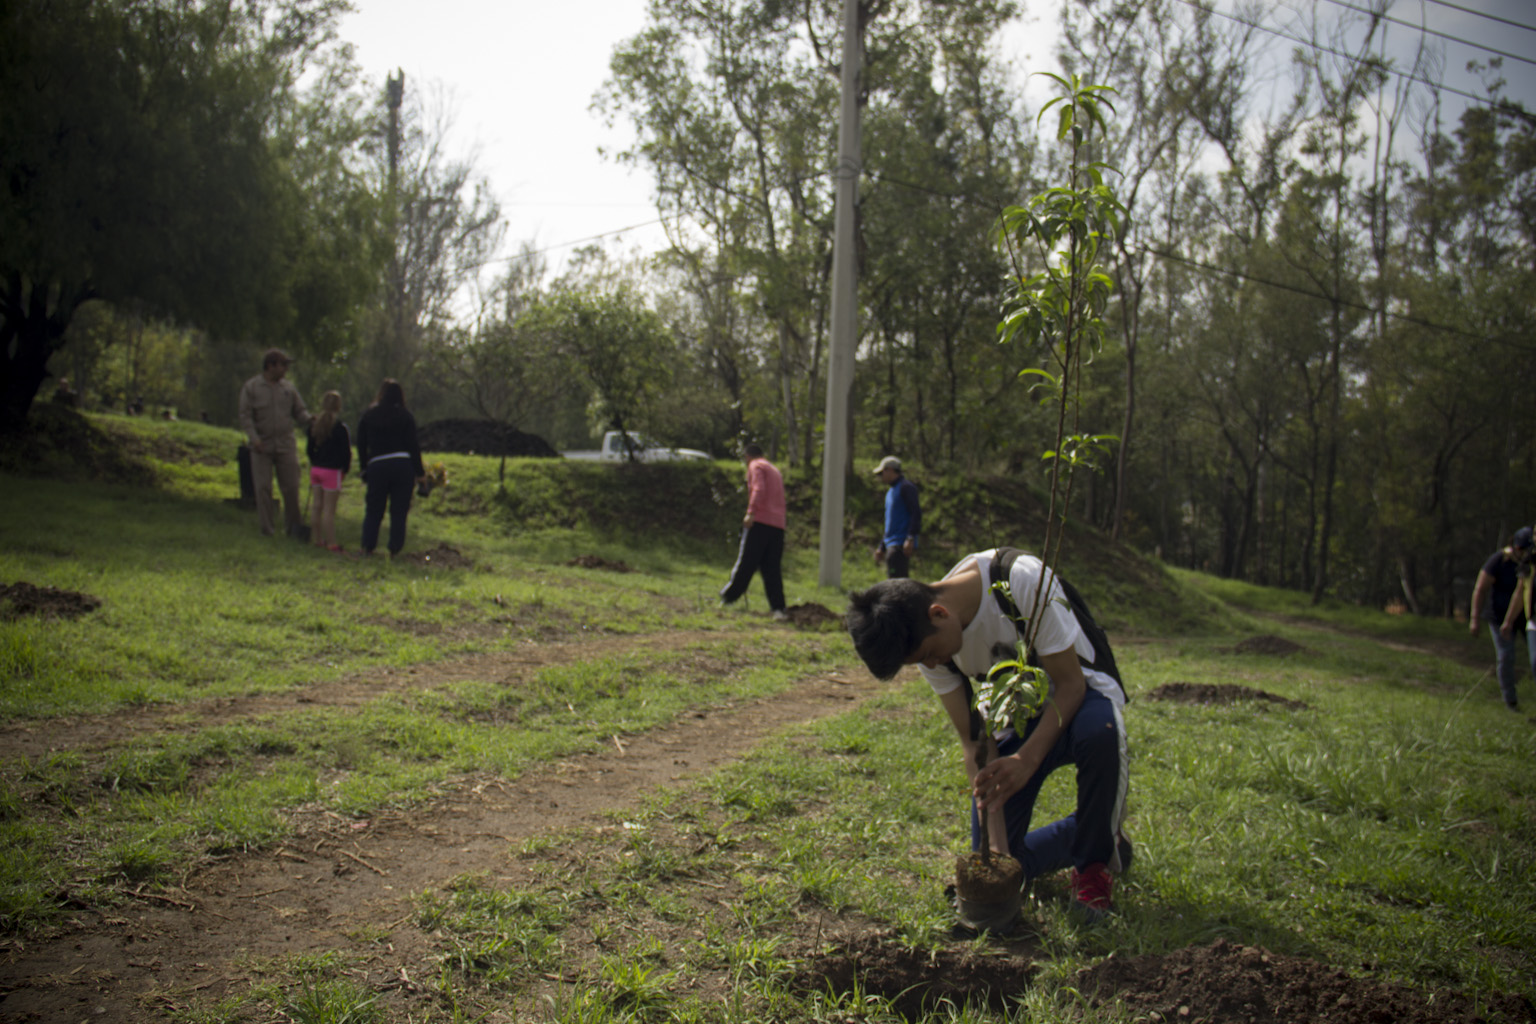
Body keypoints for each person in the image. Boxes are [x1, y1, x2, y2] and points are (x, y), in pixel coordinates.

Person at [845, 547, 1129, 921]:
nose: (932, 665)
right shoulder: (926, 638)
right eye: (922, 662)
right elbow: (974, 739)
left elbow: (1071, 685)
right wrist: (998, 851)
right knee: (1005, 864)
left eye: (930, 655)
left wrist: (1026, 761)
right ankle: (1109, 841)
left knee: (1100, 735)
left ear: (939, 613)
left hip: (1082, 696)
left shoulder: (1021, 582)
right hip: (1019, 714)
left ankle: (1093, 870)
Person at [237, 348, 312, 538]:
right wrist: (254, 439)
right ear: (271, 366)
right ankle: (267, 529)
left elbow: (300, 412)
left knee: (292, 486)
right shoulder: (252, 387)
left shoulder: (288, 388)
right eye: (283, 365)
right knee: (263, 488)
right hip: (262, 446)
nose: (286, 369)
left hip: (286, 444)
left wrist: (312, 419)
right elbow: (245, 417)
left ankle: (293, 529)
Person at [356, 378, 425, 557]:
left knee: (374, 508)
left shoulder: (369, 416)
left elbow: (361, 444)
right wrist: (420, 472)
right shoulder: (405, 416)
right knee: (399, 510)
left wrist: (364, 467)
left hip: (378, 464)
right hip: (402, 464)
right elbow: (413, 445)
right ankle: (394, 548)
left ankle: (368, 546)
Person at [719, 443, 788, 621]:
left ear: (747, 456)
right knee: (771, 568)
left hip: (761, 521)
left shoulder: (755, 466)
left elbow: (758, 489)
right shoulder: (774, 470)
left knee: (747, 561)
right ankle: (778, 608)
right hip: (778, 525)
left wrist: (751, 512)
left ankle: (728, 597)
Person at [1475, 526, 1535, 709]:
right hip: (1500, 616)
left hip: (1525, 617)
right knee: (1507, 656)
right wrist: (1474, 618)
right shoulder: (1499, 561)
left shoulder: (1529, 563)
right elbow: (1480, 589)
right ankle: (1510, 700)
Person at [305, 390, 352, 553]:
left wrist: (315, 461)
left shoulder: (314, 426)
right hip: (332, 471)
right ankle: (332, 542)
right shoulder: (340, 427)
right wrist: (345, 468)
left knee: (316, 506)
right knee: (329, 510)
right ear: (338, 407)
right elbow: (346, 452)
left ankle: (316, 538)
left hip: (316, 469)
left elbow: (309, 449)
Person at [871, 455, 921, 578]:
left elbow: (916, 512)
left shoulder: (906, 488)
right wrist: (881, 547)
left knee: (897, 582)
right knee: (893, 580)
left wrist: (910, 538)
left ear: (890, 470)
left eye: (882, 472)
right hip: (891, 544)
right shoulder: (890, 492)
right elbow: (890, 523)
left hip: (900, 543)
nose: (880, 476)